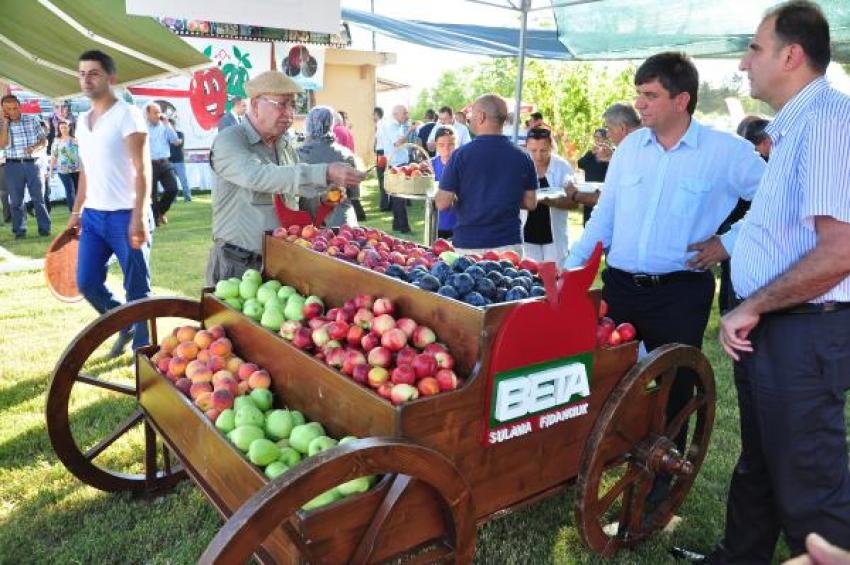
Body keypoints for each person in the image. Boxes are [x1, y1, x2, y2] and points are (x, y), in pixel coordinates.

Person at [682, 2, 850, 562]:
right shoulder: (794, 124)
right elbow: (774, 221)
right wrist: (726, 249)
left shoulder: (827, 121)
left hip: (802, 330)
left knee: (807, 479)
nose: (743, 62)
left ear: (791, 55)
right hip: (777, 326)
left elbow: (840, 251)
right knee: (760, 459)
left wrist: (752, 304)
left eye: (754, 48)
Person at [563, 52, 765, 493]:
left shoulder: (725, 152)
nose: (640, 103)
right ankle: (606, 458)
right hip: (620, 287)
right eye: (638, 93)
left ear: (682, 100)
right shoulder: (631, 147)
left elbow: (776, 200)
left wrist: (726, 244)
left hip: (680, 293)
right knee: (609, 380)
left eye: (650, 95)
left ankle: (662, 486)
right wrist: (571, 270)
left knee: (675, 389)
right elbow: (604, 217)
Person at [206, 71, 364, 284]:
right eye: (282, 104)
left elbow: (295, 197)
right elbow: (259, 176)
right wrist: (324, 171)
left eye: (293, 105)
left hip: (282, 261)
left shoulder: (284, 146)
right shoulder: (230, 140)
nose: (289, 113)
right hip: (238, 264)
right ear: (255, 104)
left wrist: (323, 199)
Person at [68, 49, 153, 358]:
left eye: (93, 73)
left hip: (126, 215)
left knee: (138, 289)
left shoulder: (127, 113)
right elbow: (85, 170)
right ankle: (123, 321)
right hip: (92, 215)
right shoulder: (80, 120)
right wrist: (77, 211)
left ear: (110, 77)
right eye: (81, 73)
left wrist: (139, 215)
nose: (86, 79)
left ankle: (144, 354)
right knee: (87, 281)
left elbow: (143, 168)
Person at [435, 94, 537, 255]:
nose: (469, 119)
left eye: (472, 115)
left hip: (469, 245)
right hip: (509, 245)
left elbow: (442, 203)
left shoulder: (461, 155)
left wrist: (464, 197)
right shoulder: (523, 156)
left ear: (481, 116)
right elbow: (531, 203)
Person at [716, 117, 771, 314]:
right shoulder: (761, 166)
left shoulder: (751, 165)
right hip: (741, 230)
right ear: (766, 141)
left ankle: (728, 309)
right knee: (732, 275)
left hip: (733, 228)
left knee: (730, 275)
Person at [568, 103, 641, 219]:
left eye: (609, 128)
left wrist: (575, 194)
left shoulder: (642, 152)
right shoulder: (627, 150)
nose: (607, 134)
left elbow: (614, 199)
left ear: (622, 128)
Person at [297, 106, 359, 227]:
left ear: (308, 123)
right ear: (331, 124)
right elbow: (354, 193)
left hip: (308, 223)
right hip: (341, 221)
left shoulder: (297, 154)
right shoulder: (346, 154)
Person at [522, 127, 576, 263]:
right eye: (533, 150)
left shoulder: (562, 167)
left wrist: (548, 200)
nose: (538, 155)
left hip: (554, 237)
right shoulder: (519, 165)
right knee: (529, 277)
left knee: (554, 278)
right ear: (526, 146)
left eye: (543, 150)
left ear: (551, 147)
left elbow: (573, 202)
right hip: (526, 235)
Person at [0, 94, 51, 239]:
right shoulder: (1, 123)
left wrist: (35, 147)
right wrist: (5, 123)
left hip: (33, 165)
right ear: (4, 110)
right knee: (16, 200)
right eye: (9, 109)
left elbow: (44, 140)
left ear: (19, 106)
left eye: (15, 108)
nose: (13, 111)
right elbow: (2, 144)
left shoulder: (31, 119)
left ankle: (44, 229)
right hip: (12, 165)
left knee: (38, 198)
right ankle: (19, 231)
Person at [376, 104, 414, 234]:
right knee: (400, 197)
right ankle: (404, 227)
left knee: (397, 197)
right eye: (405, 113)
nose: (407, 115)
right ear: (396, 114)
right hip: (396, 164)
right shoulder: (392, 126)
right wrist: (411, 130)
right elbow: (398, 143)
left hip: (398, 163)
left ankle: (397, 225)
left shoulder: (397, 125)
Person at [144, 103, 180, 226]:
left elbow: (175, 141)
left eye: (159, 112)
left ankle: (160, 211)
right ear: (148, 114)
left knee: (173, 189)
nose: (158, 115)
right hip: (149, 164)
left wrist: (167, 124)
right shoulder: (143, 128)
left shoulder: (165, 126)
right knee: (152, 194)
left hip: (165, 162)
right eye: (155, 112)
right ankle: (154, 220)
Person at [574, 128, 611, 225]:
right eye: (595, 137)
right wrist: (591, 153)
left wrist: (607, 158)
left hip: (603, 192)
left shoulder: (611, 153)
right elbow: (580, 164)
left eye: (599, 138)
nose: (597, 140)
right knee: (587, 221)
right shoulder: (590, 153)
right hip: (589, 190)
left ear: (606, 139)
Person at [430, 125, 457, 239]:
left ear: (456, 145)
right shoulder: (430, 166)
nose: (446, 148)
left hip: (458, 223)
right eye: (441, 145)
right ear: (436, 145)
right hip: (436, 222)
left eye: (450, 144)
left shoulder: (462, 165)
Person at [48, 119, 81, 211]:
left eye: (65, 127)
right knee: (70, 190)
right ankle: (73, 211)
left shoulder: (76, 139)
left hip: (77, 169)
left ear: (69, 128)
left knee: (78, 190)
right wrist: (51, 170)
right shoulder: (57, 141)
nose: (63, 129)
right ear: (59, 129)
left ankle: (79, 209)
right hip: (63, 170)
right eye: (61, 128)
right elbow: (54, 155)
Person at [168, 118, 191, 202]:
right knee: (172, 183)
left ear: (174, 125)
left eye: (170, 125)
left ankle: (187, 198)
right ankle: (173, 199)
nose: (168, 127)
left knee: (183, 181)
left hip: (179, 161)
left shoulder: (180, 134)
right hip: (169, 162)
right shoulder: (165, 135)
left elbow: (178, 142)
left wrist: (173, 139)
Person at [373, 106, 390, 212]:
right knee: (385, 178)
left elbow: (379, 139)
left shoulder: (380, 123)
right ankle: (387, 203)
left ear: (376, 114)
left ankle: (384, 205)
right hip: (384, 152)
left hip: (381, 153)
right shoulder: (386, 123)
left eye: (373, 114)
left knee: (382, 179)